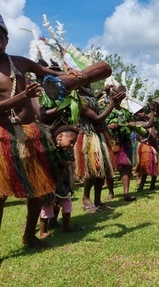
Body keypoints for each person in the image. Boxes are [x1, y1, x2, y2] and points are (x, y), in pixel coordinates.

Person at [0, 13, 82, 248]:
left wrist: (70, 74)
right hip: (2, 136)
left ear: (6, 39)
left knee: (38, 188)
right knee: (0, 195)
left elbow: (49, 73)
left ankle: (29, 235)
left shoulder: (20, 62)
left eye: (0, 36)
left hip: (30, 134)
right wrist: (23, 96)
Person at [75, 84, 125, 213]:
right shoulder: (78, 100)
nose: (89, 84)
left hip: (100, 135)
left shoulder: (89, 97)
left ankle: (98, 200)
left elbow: (94, 100)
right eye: (86, 82)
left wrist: (104, 92)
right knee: (92, 169)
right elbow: (97, 118)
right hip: (90, 136)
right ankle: (86, 198)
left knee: (103, 169)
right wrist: (112, 104)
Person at [39, 125, 80, 238]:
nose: (72, 145)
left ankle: (66, 225)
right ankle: (43, 231)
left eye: (74, 143)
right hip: (49, 183)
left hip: (61, 183)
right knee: (47, 205)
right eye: (71, 142)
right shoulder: (48, 150)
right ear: (60, 137)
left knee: (66, 202)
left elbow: (67, 162)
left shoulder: (65, 152)